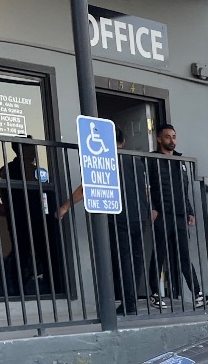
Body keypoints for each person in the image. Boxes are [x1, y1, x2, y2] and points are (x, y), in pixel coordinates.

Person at [58, 128, 150, 315]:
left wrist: (66, 206)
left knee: (123, 260)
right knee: (137, 259)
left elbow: (85, 188)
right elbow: (146, 190)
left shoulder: (105, 160)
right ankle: (132, 299)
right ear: (123, 142)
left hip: (118, 216)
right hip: (139, 216)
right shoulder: (137, 161)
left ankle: (128, 302)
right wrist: (147, 210)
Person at [147, 124, 206, 309]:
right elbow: (145, 186)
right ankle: (155, 294)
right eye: (167, 137)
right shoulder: (151, 159)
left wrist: (189, 211)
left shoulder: (181, 161)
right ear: (159, 139)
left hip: (180, 215)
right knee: (159, 255)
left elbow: (184, 189)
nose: (172, 140)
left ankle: (197, 294)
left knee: (184, 256)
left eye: (174, 137)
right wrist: (151, 207)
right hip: (162, 215)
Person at [0, 139, 65, 296]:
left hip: (42, 220)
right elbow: (11, 195)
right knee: (21, 254)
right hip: (20, 220)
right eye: (30, 149)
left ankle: (55, 288)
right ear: (20, 150)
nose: (34, 152)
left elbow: (47, 194)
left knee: (47, 254)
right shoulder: (9, 170)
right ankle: (16, 291)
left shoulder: (38, 171)